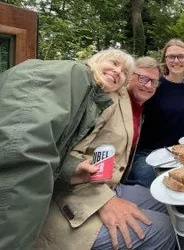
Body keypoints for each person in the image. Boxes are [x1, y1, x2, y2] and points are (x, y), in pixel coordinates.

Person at [34, 56, 176, 250]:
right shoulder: (107, 100)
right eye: (143, 78)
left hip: (110, 184)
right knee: (163, 228)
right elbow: (67, 157)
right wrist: (105, 202)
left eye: (154, 82)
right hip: (72, 196)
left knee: (166, 201)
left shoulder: (138, 107)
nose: (149, 85)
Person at [0, 48, 134, 249]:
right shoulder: (75, 75)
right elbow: (23, 152)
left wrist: (72, 169)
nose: (117, 72)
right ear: (95, 60)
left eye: (124, 72)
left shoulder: (91, 98)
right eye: (114, 63)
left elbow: (51, 146)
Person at [128, 39, 184, 187]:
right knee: (153, 187)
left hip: (180, 154)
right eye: (171, 56)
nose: (176, 60)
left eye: (181, 56)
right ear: (165, 59)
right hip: (148, 153)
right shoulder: (153, 84)